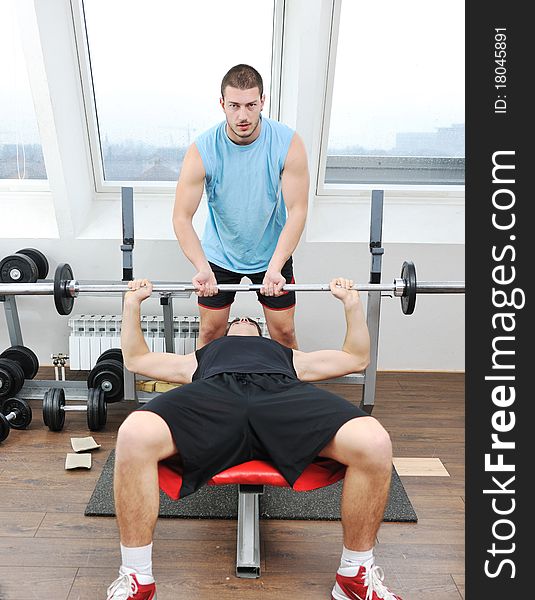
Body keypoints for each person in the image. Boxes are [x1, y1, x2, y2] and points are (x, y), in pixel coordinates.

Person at [106, 278, 402, 600]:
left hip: (281, 395)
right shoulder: (200, 358)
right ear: (225, 330)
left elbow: (356, 358)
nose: (244, 319)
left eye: (252, 320)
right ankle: (137, 578)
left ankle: (353, 578)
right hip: (212, 398)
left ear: (262, 332)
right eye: (238, 319)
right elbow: (136, 359)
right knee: (134, 433)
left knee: (374, 441)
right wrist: (132, 303)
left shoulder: (290, 357)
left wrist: (351, 303)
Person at [172, 64, 309, 349]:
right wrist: (202, 267)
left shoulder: (287, 143)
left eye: (250, 105)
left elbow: (298, 211)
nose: (243, 115)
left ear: (262, 101)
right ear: (222, 104)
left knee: (284, 334)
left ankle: (290, 393)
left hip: (272, 254)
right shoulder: (203, 149)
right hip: (219, 256)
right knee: (210, 334)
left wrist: (276, 266)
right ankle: (206, 394)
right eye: (234, 105)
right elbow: (182, 218)